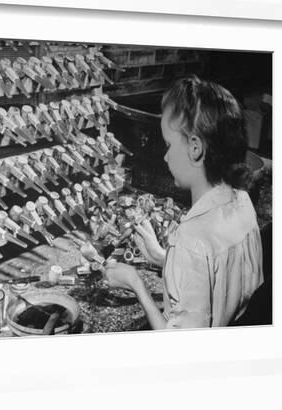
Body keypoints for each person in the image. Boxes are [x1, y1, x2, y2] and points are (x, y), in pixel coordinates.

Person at [104, 75, 264, 330]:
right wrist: (161, 257)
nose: (166, 156)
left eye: (168, 144)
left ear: (195, 148)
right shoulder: (243, 201)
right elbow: (213, 277)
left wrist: (135, 283)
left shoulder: (190, 239)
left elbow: (178, 348)